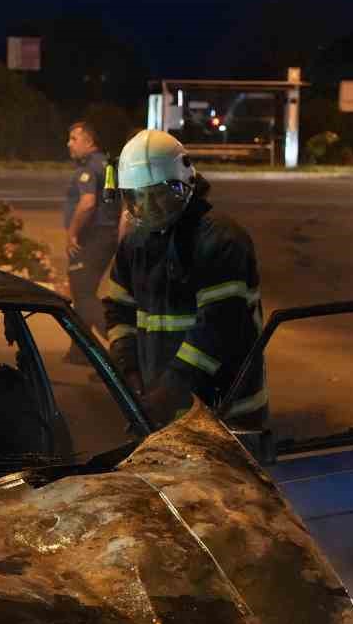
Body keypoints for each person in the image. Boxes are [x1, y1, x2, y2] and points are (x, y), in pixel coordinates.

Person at [101, 129, 267, 430]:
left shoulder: (221, 240)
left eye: (161, 194)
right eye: (139, 198)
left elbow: (217, 331)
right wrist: (129, 370)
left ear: (187, 184)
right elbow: (118, 309)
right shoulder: (135, 244)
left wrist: (166, 394)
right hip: (163, 416)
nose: (151, 207)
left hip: (227, 418)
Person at [62, 120, 120, 359]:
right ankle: (80, 352)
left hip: (93, 236)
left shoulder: (88, 169)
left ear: (89, 141)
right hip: (106, 235)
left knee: (83, 293)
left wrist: (71, 233)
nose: (69, 144)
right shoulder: (106, 165)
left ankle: (121, 346)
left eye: (74, 139)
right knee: (84, 290)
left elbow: (87, 204)